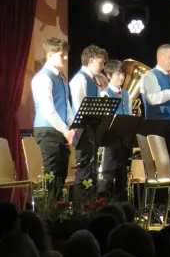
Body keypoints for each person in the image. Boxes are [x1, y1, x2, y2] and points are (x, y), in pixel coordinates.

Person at [32, 37, 75, 198]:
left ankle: (57, 212)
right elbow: (48, 109)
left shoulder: (61, 78)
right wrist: (65, 130)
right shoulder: (43, 77)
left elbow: (67, 106)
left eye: (65, 54)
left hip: (60, 130)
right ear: (50, 55)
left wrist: (71, 126)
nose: (65, 57)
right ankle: (49, 216)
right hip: (47, 130)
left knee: (61, 174)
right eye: (61, 54)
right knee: (52, 174)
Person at [70, 44, 108, 187]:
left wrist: (104, 89)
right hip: (82, 129)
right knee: (84, 168)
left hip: (92, 128)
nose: (103, 66)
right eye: (101, 62)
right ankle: (81, 205)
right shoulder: (80, 79)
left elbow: (99, 105)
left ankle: (91, 204)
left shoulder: (94, 80)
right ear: (91, 60)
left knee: (92, 170)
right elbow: (80, 106)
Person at [99, 60, 131, 199]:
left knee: (122, 173)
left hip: (124, 138)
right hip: (111, 138)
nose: (122, 77)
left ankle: (121, 202)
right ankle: (102, 201)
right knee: (108, 171)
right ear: (109, 75)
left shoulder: (125, 94)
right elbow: (105, 118)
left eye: (123, 74)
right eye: (118, 74)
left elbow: (129, 115)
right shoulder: (105, 94)